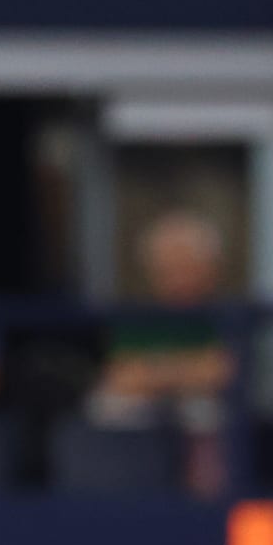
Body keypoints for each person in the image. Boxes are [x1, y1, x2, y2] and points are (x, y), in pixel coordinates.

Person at [81, 211, 235, 498]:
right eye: (166, 269)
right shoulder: (139, 319)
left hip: (209, 437)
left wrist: (155, 372)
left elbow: (221, 371)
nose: (176, 279)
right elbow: (121, 379)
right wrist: (186, 372)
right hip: (141, 440)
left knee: (204, 418)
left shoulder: (229, 316)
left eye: (186, 267)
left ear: (212, 268)